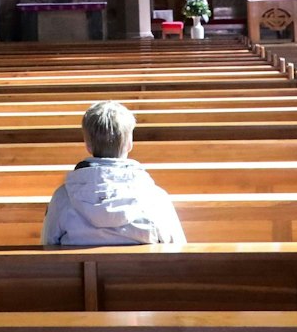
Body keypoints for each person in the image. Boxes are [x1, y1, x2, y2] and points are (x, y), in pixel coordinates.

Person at [40, 101, 187, 247]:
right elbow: (179, 250)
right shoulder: (155, 198)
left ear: (88, 144)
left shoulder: (63, 197)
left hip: (78, 270)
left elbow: (47, 246)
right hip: (139, 270)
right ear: (130, 143)